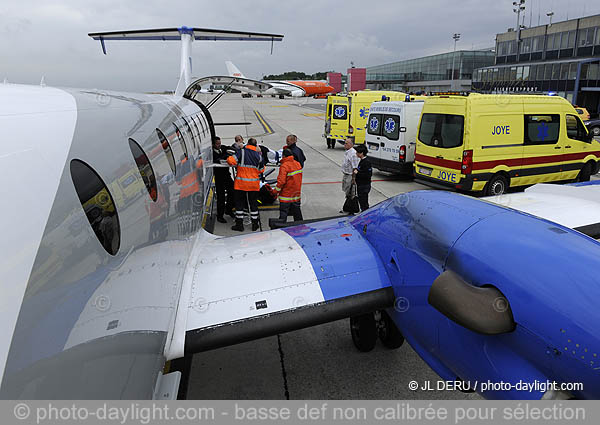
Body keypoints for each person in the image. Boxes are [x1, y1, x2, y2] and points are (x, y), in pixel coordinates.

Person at [227, 137, 265, 231]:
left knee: (239, 204)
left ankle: (239, 225)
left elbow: (231, 161)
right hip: (253, 185)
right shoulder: (258, 156)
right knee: (253, 204)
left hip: (241, 184)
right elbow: (261, 170)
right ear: (256, 146)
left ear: (247, 144)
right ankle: (255, 224)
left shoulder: (242, 152)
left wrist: (229, 157)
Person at [275, 148, 303, 222]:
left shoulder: (284, 166)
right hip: (296, 195)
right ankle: (300, 229)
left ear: (283, 156)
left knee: (283, 216)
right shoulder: (298, 164)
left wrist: (275, 191)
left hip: (286, 196)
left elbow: (281, 182)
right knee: (297, 215)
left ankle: (282, 230)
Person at [212, 136, 234, 223]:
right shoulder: (211, 153)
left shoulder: (223, 148)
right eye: (217, 144)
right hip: (219, 177)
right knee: (220, 196)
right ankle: (220, 215)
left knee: (232, 191)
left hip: (226, 175)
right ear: (213, 144)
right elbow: (216, 159)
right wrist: (225, 156)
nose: (219, 145)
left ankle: (229, 209)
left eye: (220, 143)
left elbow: (230, 148)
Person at [340, 138, 359, 213]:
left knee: (351, 192)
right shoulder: (347, 152)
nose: (345, 144)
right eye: (345, 143)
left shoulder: (353, 154)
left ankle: (352, 209)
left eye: (346, 143)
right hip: (346, 174)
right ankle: (348, 207)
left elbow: (355, 167)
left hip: (350, 176)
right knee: (347, 191)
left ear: (351, 144)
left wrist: (353, 179)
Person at [353, 144, 372, 212]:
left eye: (357, 152)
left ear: (361, 153)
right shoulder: (362, 161)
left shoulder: (366, 162)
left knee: (364, 202)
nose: (356, 153)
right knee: (361, 201)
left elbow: (368, 175)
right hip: (360, 185)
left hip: (364, 186)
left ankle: (365, 214)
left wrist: (357, 173)